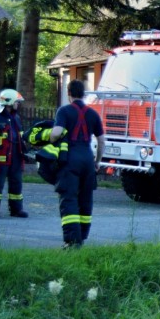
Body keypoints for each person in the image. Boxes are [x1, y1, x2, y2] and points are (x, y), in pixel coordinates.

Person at [48, 80, 105, 249]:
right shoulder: (93, 114)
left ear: (69, 93)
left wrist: (48, 139)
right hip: (87, 159)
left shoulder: (64, 111)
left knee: (69, 197)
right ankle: (82, 236)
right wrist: (97, 162)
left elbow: (56, 133)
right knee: (86, 198)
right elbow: (101, 141)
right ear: (83, 94)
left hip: (70, 159)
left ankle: (72, 241)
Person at [0, 89, 29, 220]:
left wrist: (25, 151)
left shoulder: (16, 118)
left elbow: (20, 137)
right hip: (0, 158)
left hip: (16, 157)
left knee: (16, 184)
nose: (18, 104)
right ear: (9, 102)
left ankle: (16, 209)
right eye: (17, 102)